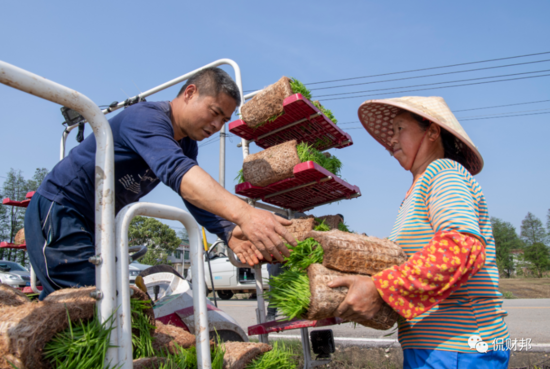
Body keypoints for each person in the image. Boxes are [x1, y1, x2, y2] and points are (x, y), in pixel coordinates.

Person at [25, 67, 296, 300]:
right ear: (190, 93)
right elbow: (179, 173)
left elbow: (192, 194)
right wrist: (246, 214)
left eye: (224, 120)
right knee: (91, 301)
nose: (217, 125)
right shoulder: (146, 118)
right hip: (62, 208)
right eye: (214, 112)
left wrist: (227, 231)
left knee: (110, 302)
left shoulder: (187, 144)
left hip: (101, 225)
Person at [328, 96, 509, 368]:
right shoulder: (418, 188)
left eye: (400, 129)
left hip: (460, 346)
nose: (391, 140)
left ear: (433, 132)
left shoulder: (444, 173)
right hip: (431, 346)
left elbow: (460, 249)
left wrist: (379, 288)